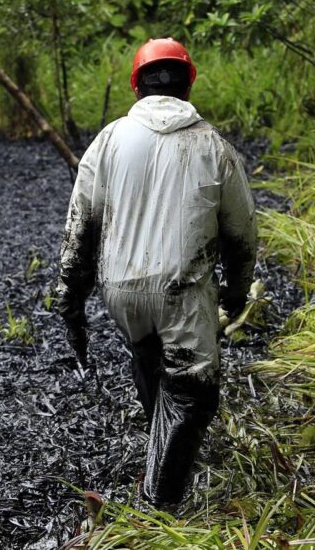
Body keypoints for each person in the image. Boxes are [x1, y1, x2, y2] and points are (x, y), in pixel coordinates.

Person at [55, 38, 257, 507]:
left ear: (136, 84)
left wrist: (71, 299)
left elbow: (79, 228)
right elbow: (242, 232)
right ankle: (157, 507)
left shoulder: (108, 141)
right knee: (193, 395)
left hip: (120, 291)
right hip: (182, 290)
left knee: (148, 356)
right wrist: (237, 291)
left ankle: (158, 446)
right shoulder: (211, 145)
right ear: (189, 82)